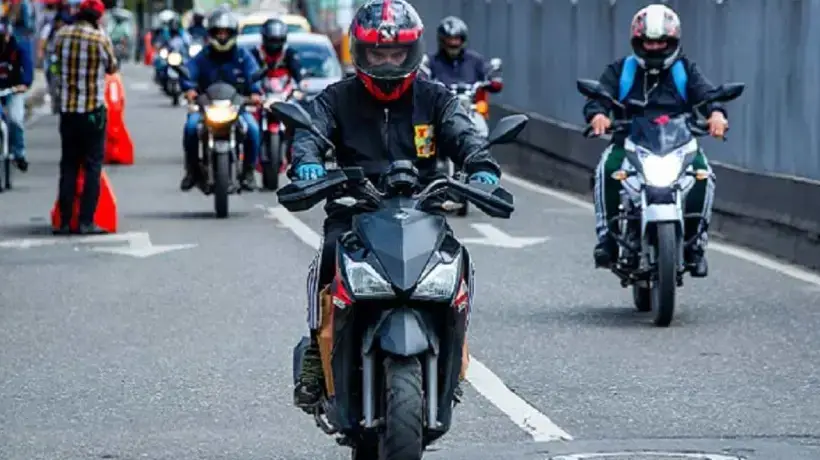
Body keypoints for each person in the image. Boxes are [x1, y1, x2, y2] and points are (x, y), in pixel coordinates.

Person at [290, 0, 501, 411]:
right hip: (354, 208)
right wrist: (308, 162)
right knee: (329, 254)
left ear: (413, 51)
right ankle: (316, 349)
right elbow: (310, 132)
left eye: (396, 53)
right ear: (360, 52)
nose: (387, 62)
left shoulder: (435, 97)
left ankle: (455, 348)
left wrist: (481, 166)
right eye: (377, 53)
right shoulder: (337, 98)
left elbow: (463, 133)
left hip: (422, 208)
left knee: (458, 260)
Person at [583, 3, 726, 277]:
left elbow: (707, 95)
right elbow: (599, 96)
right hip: (629, 142)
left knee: (704, 175)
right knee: (606, 170)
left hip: (678, 144)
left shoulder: (685, 70)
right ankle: (607, 240)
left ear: (673, 42)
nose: (655, 48)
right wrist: (598, 115)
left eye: (661, 42)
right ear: (637, 42)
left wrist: (716, 114)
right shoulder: (621, 70)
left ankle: (696, 246)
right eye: (648, 42)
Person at [52, 0, 117, 235]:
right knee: (92, 166)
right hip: (92, 114)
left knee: (68, 164)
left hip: (68, 112)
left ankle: (64, 221)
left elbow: (54, 64)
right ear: (97, 18)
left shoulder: (61, 35)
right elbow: (112, 67)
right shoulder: (100, 39)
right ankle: (86, 221)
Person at [179, 9, 262, 191]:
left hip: (236, 107)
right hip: (206, 107)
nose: (222, 36)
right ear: (211, 34)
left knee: (253, 130)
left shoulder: (243, 56)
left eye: (226, 32)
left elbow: (254, 75)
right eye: (218, 32)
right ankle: (192, 171)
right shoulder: (203, 56)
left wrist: (255, 92)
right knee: (191, 128)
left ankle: (248, 172)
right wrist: (189, 89)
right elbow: (188, 72)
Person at [426, 16, 502, 94]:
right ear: (442, 40)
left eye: (456, 38)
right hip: (441, 100)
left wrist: (493, 82)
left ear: (463, 39)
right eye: (449, 39)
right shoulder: (432, 61)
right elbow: (422, 79)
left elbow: (490, 77)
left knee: (483, 102)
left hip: (471, 100)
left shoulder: (475, 60)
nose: (453, 43)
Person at [0, 17, 33, 172]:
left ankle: (19, 153)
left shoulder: (18, 48)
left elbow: (28, 68)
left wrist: (25, 84)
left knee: (15, 119)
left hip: (14, 90)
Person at [250, 18, 302, 85]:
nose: (275, 45)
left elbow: (297, 71)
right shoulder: (255, 53)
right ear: (264, 38)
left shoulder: (289, 53)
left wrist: (301, 81)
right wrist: (264, 70)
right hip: (260, 89)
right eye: (271, 40)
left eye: (278, 40)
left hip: (285, 89)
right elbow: (250, 76)